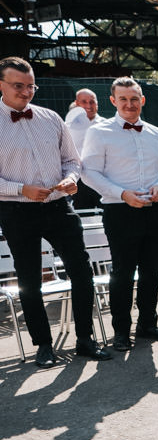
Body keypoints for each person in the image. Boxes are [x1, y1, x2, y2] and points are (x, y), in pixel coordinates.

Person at [0, 56, 111, 367]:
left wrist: (71, 179)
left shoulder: (51, 118)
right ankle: (44, 345)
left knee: (82, 271)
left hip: (60, 206)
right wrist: (21, 189)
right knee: (29, 279)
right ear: (1, 85)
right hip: (17, 210)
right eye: (18, 86)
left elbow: (72, 161)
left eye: (31, 85)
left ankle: (86, 339)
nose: (26, 92)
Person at [81, 77, 158, 351]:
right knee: (123, 274)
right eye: (123, 99)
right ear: (113, 101)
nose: (129, 104)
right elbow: (88, 172)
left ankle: (147, 325)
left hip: (154, 212)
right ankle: (121, 332)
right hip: (119, 211)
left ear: (142, 100)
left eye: (134, 98)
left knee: (151, 272)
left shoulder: (155, 133)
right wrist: (121, 194)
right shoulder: (99, 132)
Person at [64, 88, 105, 211]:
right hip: (79, 181)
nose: (88, 105)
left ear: (97, 103)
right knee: (84, 216)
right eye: (84, 102)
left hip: (104, 179)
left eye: (92, 102)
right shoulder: (66, 128)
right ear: (77, 104)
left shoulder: (107, 126)